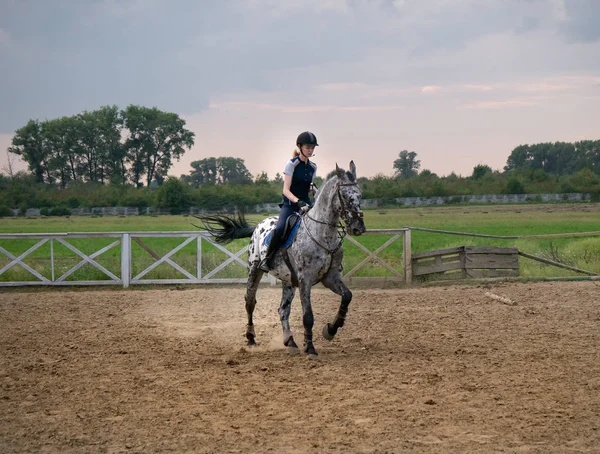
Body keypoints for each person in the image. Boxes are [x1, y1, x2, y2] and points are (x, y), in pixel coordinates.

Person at [259, 131, 318, 271]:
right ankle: (267, 259)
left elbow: (306, 185)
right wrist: (298, 201)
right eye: (308, 147)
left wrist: (313, 189)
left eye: (312, 148)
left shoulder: (313, 167)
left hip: (307, 204)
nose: (310, 150)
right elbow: (286, 190)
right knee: (280, 228)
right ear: (300, 147)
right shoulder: (291, 164)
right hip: (290, 205)